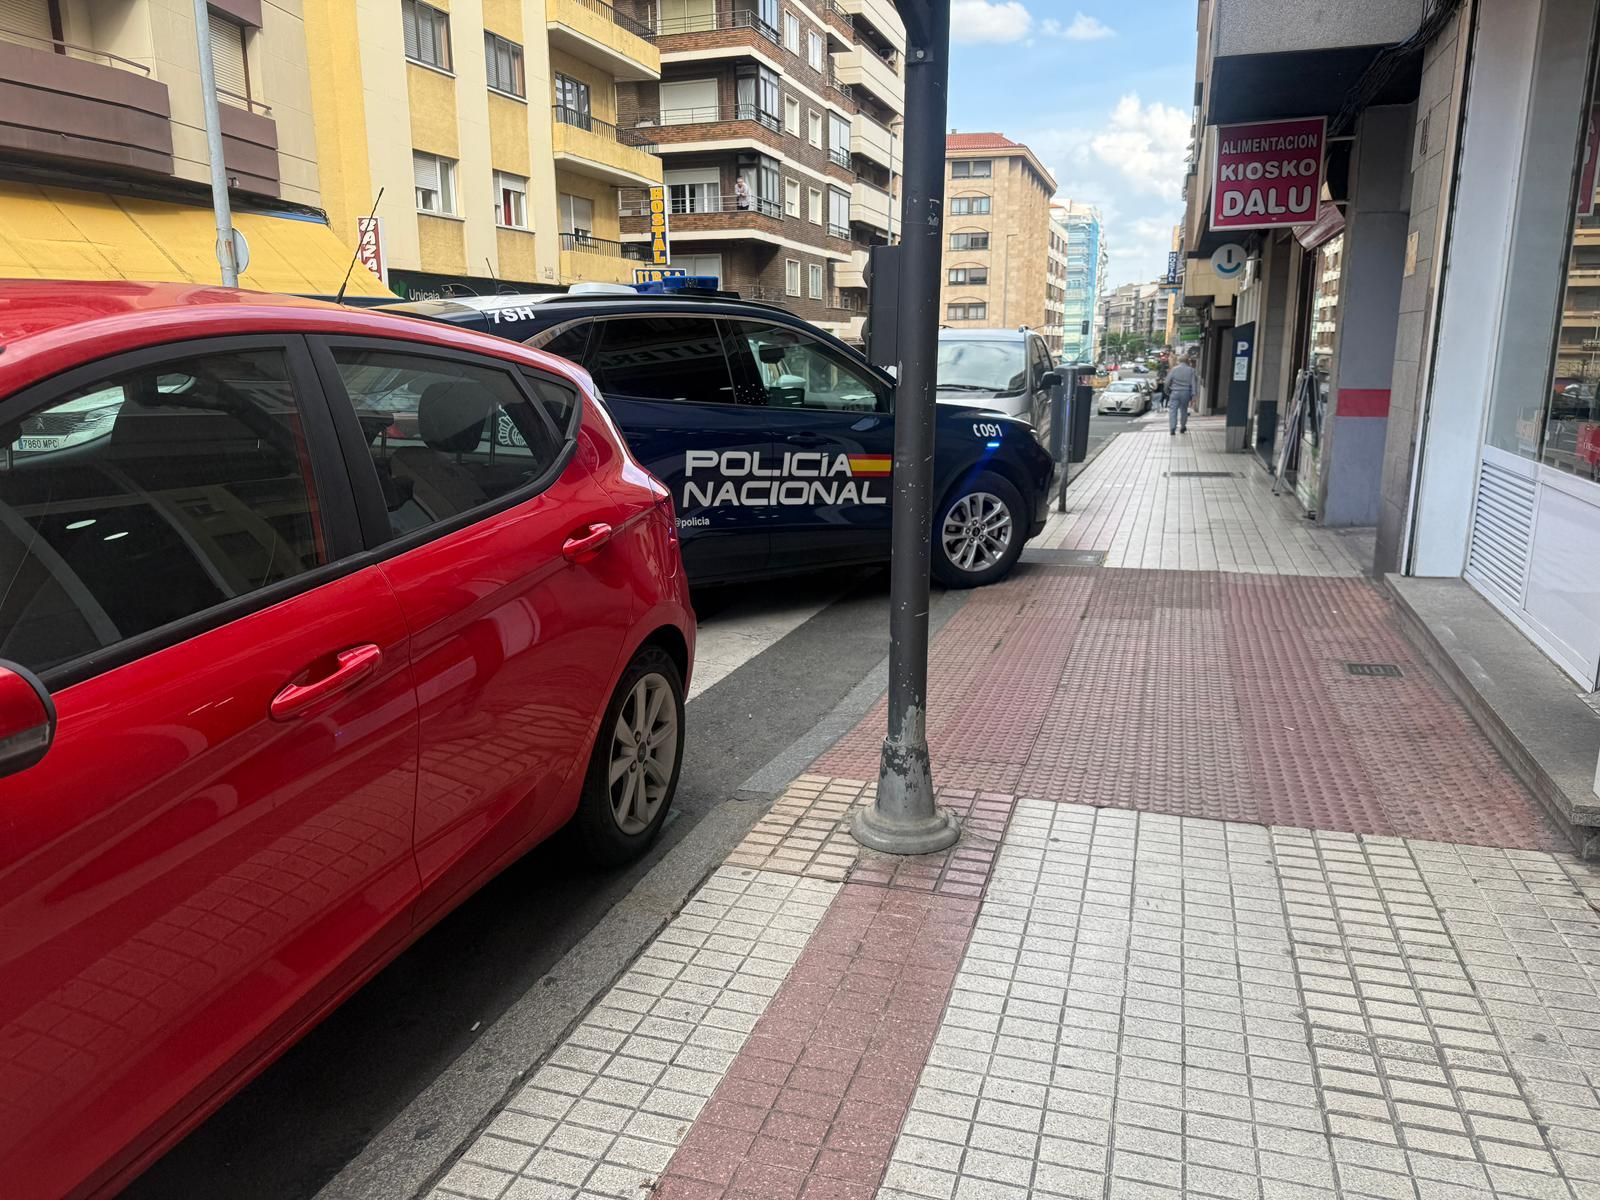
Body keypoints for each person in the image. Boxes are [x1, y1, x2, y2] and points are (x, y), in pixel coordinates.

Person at [1166, 353, 1197, 434]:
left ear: (1179, 360)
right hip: (1186, 392)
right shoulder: (1191, 370)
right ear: (1187, 361)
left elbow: (1167, 382)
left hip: (1175, 392)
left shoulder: (1174, 369)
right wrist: (1194, 395)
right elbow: (1193, 383)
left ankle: (1172, 428)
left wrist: (1167, 391)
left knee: (1173, 410)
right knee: (1184, 410)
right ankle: (1183, 426)